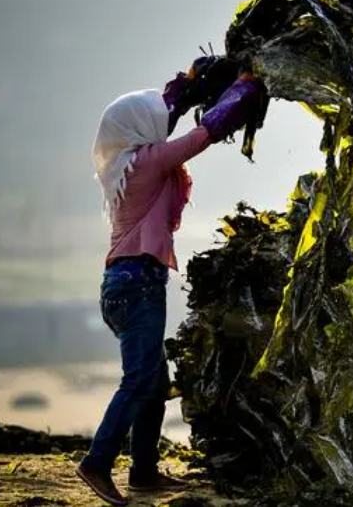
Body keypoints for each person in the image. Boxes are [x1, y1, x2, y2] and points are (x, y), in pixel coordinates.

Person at [75, 64, 262, 506]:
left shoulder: (127, 162)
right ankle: (96, 463)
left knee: (154, 383)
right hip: (136, 285)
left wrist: (192, 83)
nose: (160, 120)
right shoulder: (145, 163)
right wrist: (243, 87)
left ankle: (143, 473)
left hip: (130, 284)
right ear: (138, 130)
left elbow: (172, 110)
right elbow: (203, 135)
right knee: (139, 380)